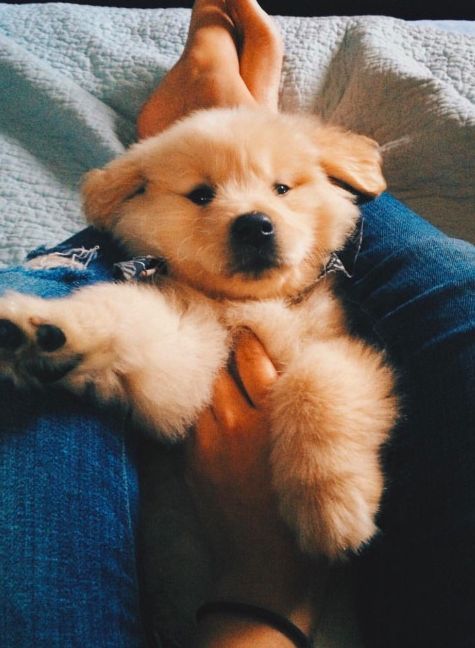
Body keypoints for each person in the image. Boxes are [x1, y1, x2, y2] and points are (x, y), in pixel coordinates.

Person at [0, 2, 473, 648]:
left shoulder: (301, 304)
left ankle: (203, 121)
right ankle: (237, 113)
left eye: (281, 187)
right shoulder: (186, 297)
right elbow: (164, 354)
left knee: (53, 288)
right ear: (131, 191)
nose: (251, 215)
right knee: (454, 289)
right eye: (201, 193)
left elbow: (182, 369)